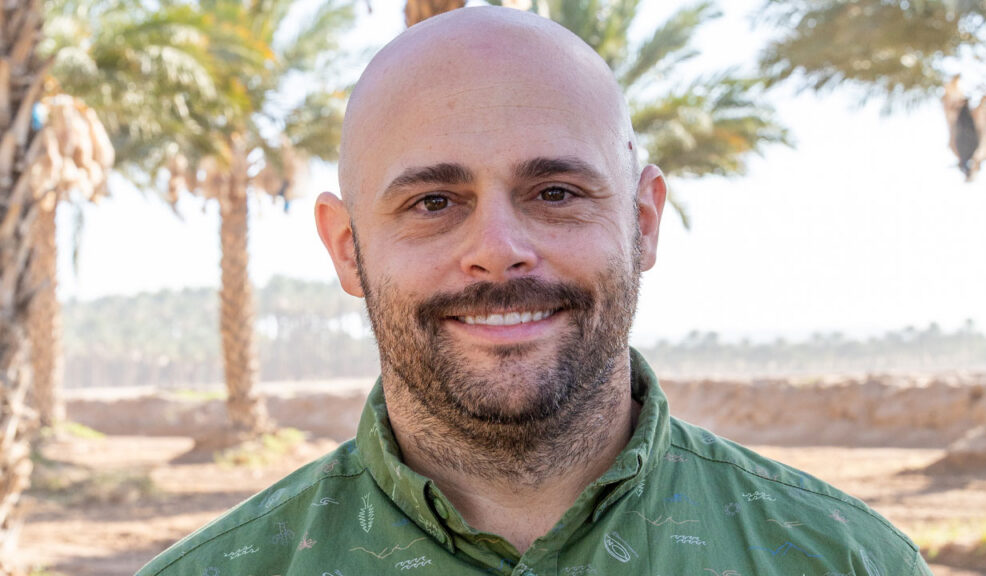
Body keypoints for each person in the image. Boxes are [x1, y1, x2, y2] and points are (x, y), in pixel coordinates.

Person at [138, 7, 932, 576]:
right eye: (433, 202)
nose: (498, 252)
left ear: (643, 223)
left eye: (555, 192)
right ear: (348, 250)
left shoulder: (847, 560)